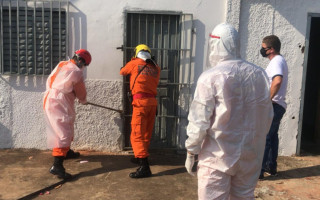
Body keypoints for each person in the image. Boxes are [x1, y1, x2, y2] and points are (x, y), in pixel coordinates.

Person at [184, 23, 274, 199]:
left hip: (216, 157)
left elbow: (199, 120)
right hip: (249, 157)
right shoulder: (259, 75)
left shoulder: (210, 77)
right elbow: (267, 116)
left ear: (216, 45)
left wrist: (191, 151)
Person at [43, 49, 91, 179]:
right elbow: (80, 91)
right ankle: (57, 166)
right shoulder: (76, 72)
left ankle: (67, 151)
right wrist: (83, 100)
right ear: (81, 61)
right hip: (59, 101)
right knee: (62, 131)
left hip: (53, 97)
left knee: (67, 124)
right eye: (85, 64)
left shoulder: (62, 64)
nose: (84, 67)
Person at [120, 44, 160, 178]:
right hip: (152, 103)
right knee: (146, 132)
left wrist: (133, 60)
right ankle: (139, 156)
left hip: (140, 103)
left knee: (137, 133)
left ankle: (144, 166)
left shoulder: (135, 63)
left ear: (137, 53)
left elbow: (123, 71)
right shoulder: (156, 67)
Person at [259, 35, 288, 179]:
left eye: (264, 48)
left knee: (265, 138)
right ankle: (271, 167)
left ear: (271, 49)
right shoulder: (279, 61)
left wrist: (267, 100)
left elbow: (277, 81)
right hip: (277, 105)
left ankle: (259, 172)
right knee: (272, 137)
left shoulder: (277, 61)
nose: (262, 50)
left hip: (274, 105)